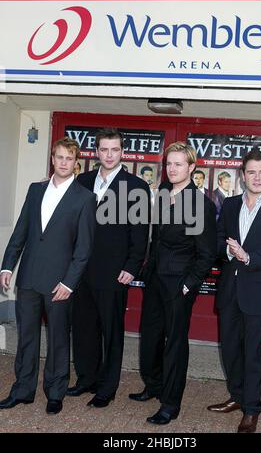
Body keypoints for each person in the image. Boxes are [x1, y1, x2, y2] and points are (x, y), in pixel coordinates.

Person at [0, 137, 96, 415]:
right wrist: (7, 266)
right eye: (59, 157)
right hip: (28, 278)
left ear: (75, 163)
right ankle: (23, 390)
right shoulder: (35, 189)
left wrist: (69, 282)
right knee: (26, 338)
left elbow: (84, 248)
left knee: (57, 339)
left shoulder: (85, 198)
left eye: (69, 158)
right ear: (52, 159)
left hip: (59, 284)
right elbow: (21, 231)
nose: (63, 162)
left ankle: (56, 392)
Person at [129, 142, 217, 424]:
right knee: (151, 336)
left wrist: (189, 284)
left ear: (191, 168)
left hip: (180, 282)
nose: (172, 169)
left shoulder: (200, 203)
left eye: (178, 164)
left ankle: (170, 404)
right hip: (155, 278)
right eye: (169, 164)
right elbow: (157, 237)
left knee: (175, 343)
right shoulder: (163, 192)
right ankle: (154, 386)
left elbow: (206, 254)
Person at [207, 149, 261, 433]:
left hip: (257, 292)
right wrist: (230, 253)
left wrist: (248, 257)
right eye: (251, 172)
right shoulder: (230, 205)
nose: (257, 177)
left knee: (252, 352)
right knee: (230, 349)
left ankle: (251, 408)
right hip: (230, 289)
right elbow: (218, 241)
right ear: (243, 175)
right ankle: (237, 395)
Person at [67, 127, 150, 408]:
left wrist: (132, 265)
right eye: (104, 149)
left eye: (115, 149)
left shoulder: (136, 185)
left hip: (115, 271)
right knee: (83, 327)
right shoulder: (82, 180)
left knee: (111, 331)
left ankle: (107, 387)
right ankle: (86, 378)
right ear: (96, 151)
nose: (109, 154)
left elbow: (140, 233)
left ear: (122, 152)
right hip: (80, 271)